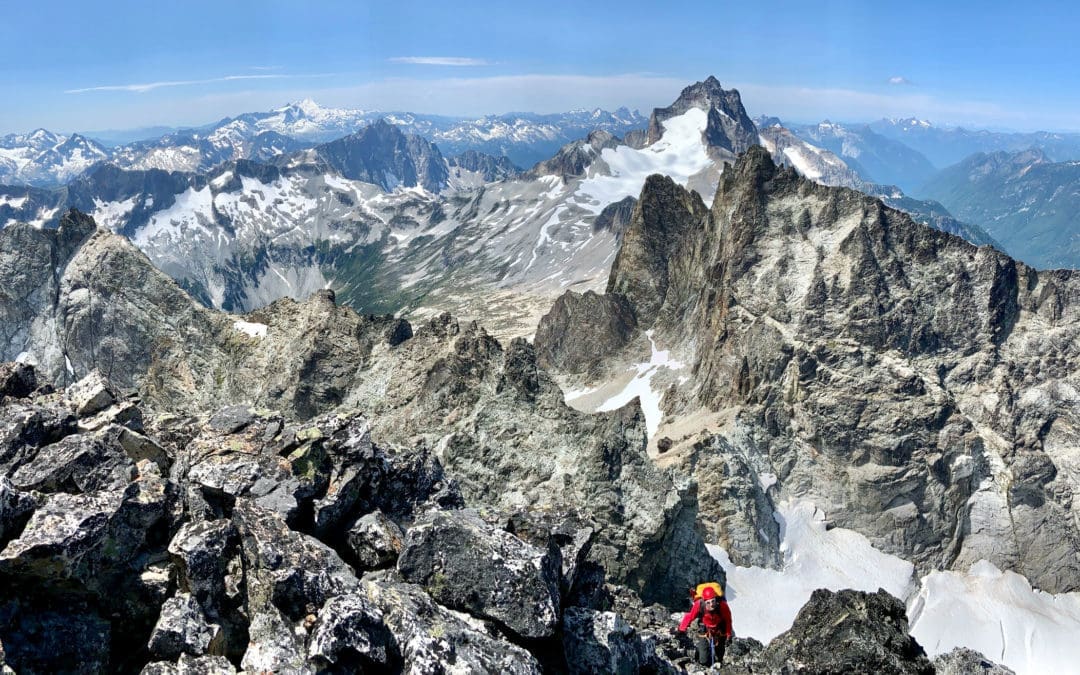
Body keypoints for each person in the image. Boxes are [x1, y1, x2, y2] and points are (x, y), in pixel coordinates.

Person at [675, 585, 733, 666]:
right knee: (703, 660)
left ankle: (718, 661)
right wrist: (681, 630)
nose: (711, 604)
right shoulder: (699, 605)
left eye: (713, 601)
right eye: (708, 602)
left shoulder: (723, 606)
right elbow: (690, 616)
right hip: (705, 630)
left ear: (716, 599)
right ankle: (701, 657)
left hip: (719, 630)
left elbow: (728, 620)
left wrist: (728, 634)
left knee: (720, 656)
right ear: (704, 601)